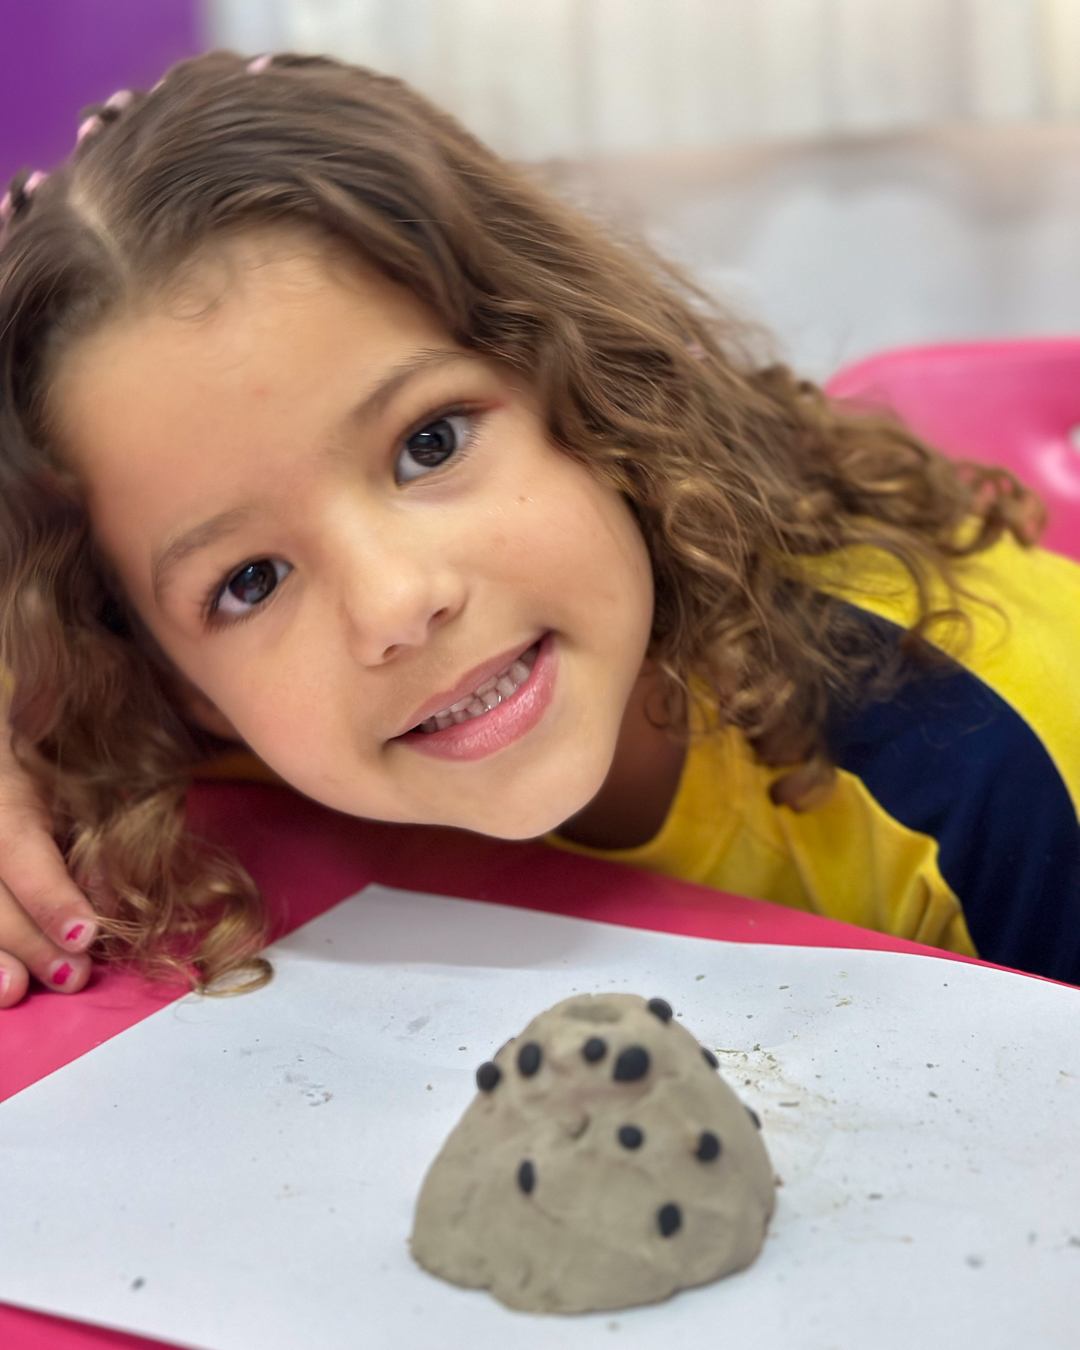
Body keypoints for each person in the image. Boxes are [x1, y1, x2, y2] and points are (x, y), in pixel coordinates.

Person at [0, 51, 1076, 1012]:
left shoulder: (980, 769)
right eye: (252, 579)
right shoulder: (208, 716)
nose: (394, 605)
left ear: (592, 394)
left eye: (429, 444)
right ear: (166, 678)